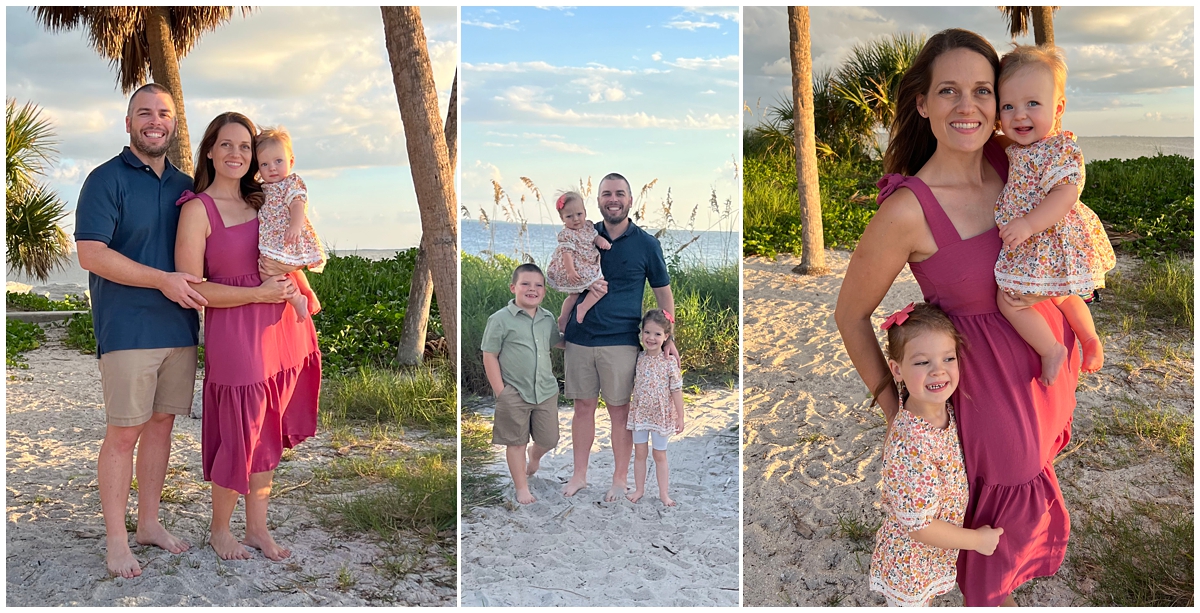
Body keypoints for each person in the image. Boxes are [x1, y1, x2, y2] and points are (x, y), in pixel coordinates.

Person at [834, 28, 1078, 607]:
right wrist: (899, 412)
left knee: (1027, 501)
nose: (967, 106)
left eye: (982, 90)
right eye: (948, 91)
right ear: (923, 103)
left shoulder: (1012, 161)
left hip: (1042, 369)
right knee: (992, 535)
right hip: (984, 393)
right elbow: (850, 314)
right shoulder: (907, 208)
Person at [175, 112, 321, 562]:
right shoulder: (197, 209)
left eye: (245, 146)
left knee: (267, 431)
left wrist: (303, 291)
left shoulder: (264, 200)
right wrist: (256, 293)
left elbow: (288, 249)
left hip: (280, 326)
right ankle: (221, 530)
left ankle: (257, 528)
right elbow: (192, 286)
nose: (236, 154)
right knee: (241, 430)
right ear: (211, 151)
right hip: (236, 330)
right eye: (226, 145)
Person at [74, 83, 205, 578]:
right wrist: (163, 281)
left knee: (161, 429)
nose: (155, 121)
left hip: (180, 329)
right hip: (127, 329)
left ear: (174, 122)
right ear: (128, 123)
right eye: (144, 113)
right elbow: (92, 253)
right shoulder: (104, 179)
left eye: (164, 113)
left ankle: (149, 523)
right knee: (123, 435)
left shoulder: (185, 186)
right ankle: (115, 541)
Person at [993, 45, 1114, 385]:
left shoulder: (1059, 148)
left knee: (1010, 300)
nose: (1019, 115)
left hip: (1046, 236)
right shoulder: (1022, 146)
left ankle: (1051, 349)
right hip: (1043, 243)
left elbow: (1066, 193)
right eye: (1008, 106)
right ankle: (1089, 339)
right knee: (1062, 294)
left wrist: (1029, 223)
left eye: (1033, 103)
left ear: (1058, 108)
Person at [867, 303, 1003, 607]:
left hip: (932, 557)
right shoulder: (909, 443)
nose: (938, 370)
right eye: (922, 362)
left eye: (948, 358)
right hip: (911, 565)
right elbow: (920, 527)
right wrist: (977, 541)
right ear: (897, 370)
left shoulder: (949, 412)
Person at [561, 173, 677, 502]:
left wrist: (668, 337)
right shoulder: (582, 234)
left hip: (622, 340)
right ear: (597, 200)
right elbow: (564, 274)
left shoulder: (647, 244)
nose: (614, 199)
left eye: (620, 193)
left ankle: (619, 478)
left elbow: (663, 295)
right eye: (607, 194)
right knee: (582, 408)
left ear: (630, 200)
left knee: (620, 413)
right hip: (580, 338)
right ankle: (579, 475)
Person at [480, 263, 563, 505]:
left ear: (544, 291)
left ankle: (534, 456)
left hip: (545, 391)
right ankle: (522, 488)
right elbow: (489, 355)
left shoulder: (547, 318)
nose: (532, 289)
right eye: (525, 284)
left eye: (538, 285)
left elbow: (558, 343)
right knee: (515, 442)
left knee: (550, 439)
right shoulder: (500, 320)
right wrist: (501, 392)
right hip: (513, 392)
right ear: (513, 287)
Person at [255, 126, 325, 323]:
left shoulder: (290, 183)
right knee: (290, 269)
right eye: (265, 164)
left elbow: (297, 204)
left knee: (266, 272)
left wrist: (295, 226)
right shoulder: (265, 188)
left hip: (287, 236)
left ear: (291, 161)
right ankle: (307, 291)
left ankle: (297, 298)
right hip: (277, 240)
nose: (272, 168)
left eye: (278, 161)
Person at [625, 309, 685, 507]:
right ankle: (639, 489)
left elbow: (676, 391)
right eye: (647, 332)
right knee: (640, 453)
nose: (651, 338)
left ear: (666, 337)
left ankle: (664, 494)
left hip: (661, 415)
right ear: (641, 332)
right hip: (640, 413)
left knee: (659, 454)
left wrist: (680, 417)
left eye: (657, 334)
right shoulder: (639, 358)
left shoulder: (669, 362)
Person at [546, 191, 611, 331]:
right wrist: (570, 271)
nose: (575, 219)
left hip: (587, 263)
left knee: (577, 294)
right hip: (576, 268)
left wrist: (601, 241)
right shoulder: (566, 234)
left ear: (585, 212)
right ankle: (575, 311)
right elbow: (566, 254)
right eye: (569, 216)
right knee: (600, 287)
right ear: (562, 218)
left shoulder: (588, 227)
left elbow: (595, 237)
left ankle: (570, 313)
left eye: (579, 214)